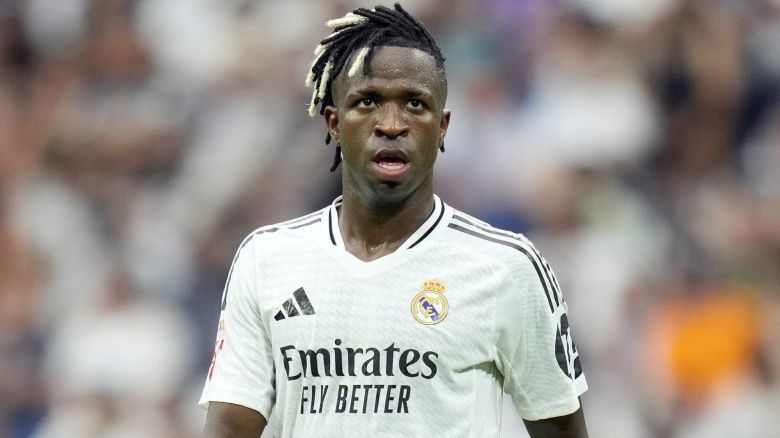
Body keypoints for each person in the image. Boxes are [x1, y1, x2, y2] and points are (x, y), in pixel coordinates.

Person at [200, 4, 588, 437]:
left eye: (414, 104)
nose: (391, 124)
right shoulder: (267, 259)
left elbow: (561, 429)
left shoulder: (507, 267)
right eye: (367, 102)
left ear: (442, 128)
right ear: (333, 123)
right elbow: (229, 428)